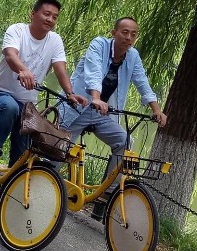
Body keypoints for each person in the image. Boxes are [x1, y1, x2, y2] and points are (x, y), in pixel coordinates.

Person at [58, 16, 167, 218]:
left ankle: (107, 193)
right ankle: (43, 183)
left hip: (102, 112)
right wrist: (96, 98)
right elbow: (93, 72)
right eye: (124, 32)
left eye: (133, 34)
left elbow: (142, 82)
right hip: (78, 106)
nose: (129, 37)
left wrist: (156, 109)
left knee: (125, 142)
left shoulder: (132, 56)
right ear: (113, 33)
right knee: (58, 149)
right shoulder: (99, 45)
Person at [0, 0, 87, 171]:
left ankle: (9, 183)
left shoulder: (55, 40)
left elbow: (60, 69)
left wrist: (70, 93)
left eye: (54, 17)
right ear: (33, 14)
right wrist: (23, 70)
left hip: (28, 106)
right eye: (47, 14)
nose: (50, 19)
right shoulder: (17, 30)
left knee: (21, 160)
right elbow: (10, 55)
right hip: (0, 93)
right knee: (10, 107)